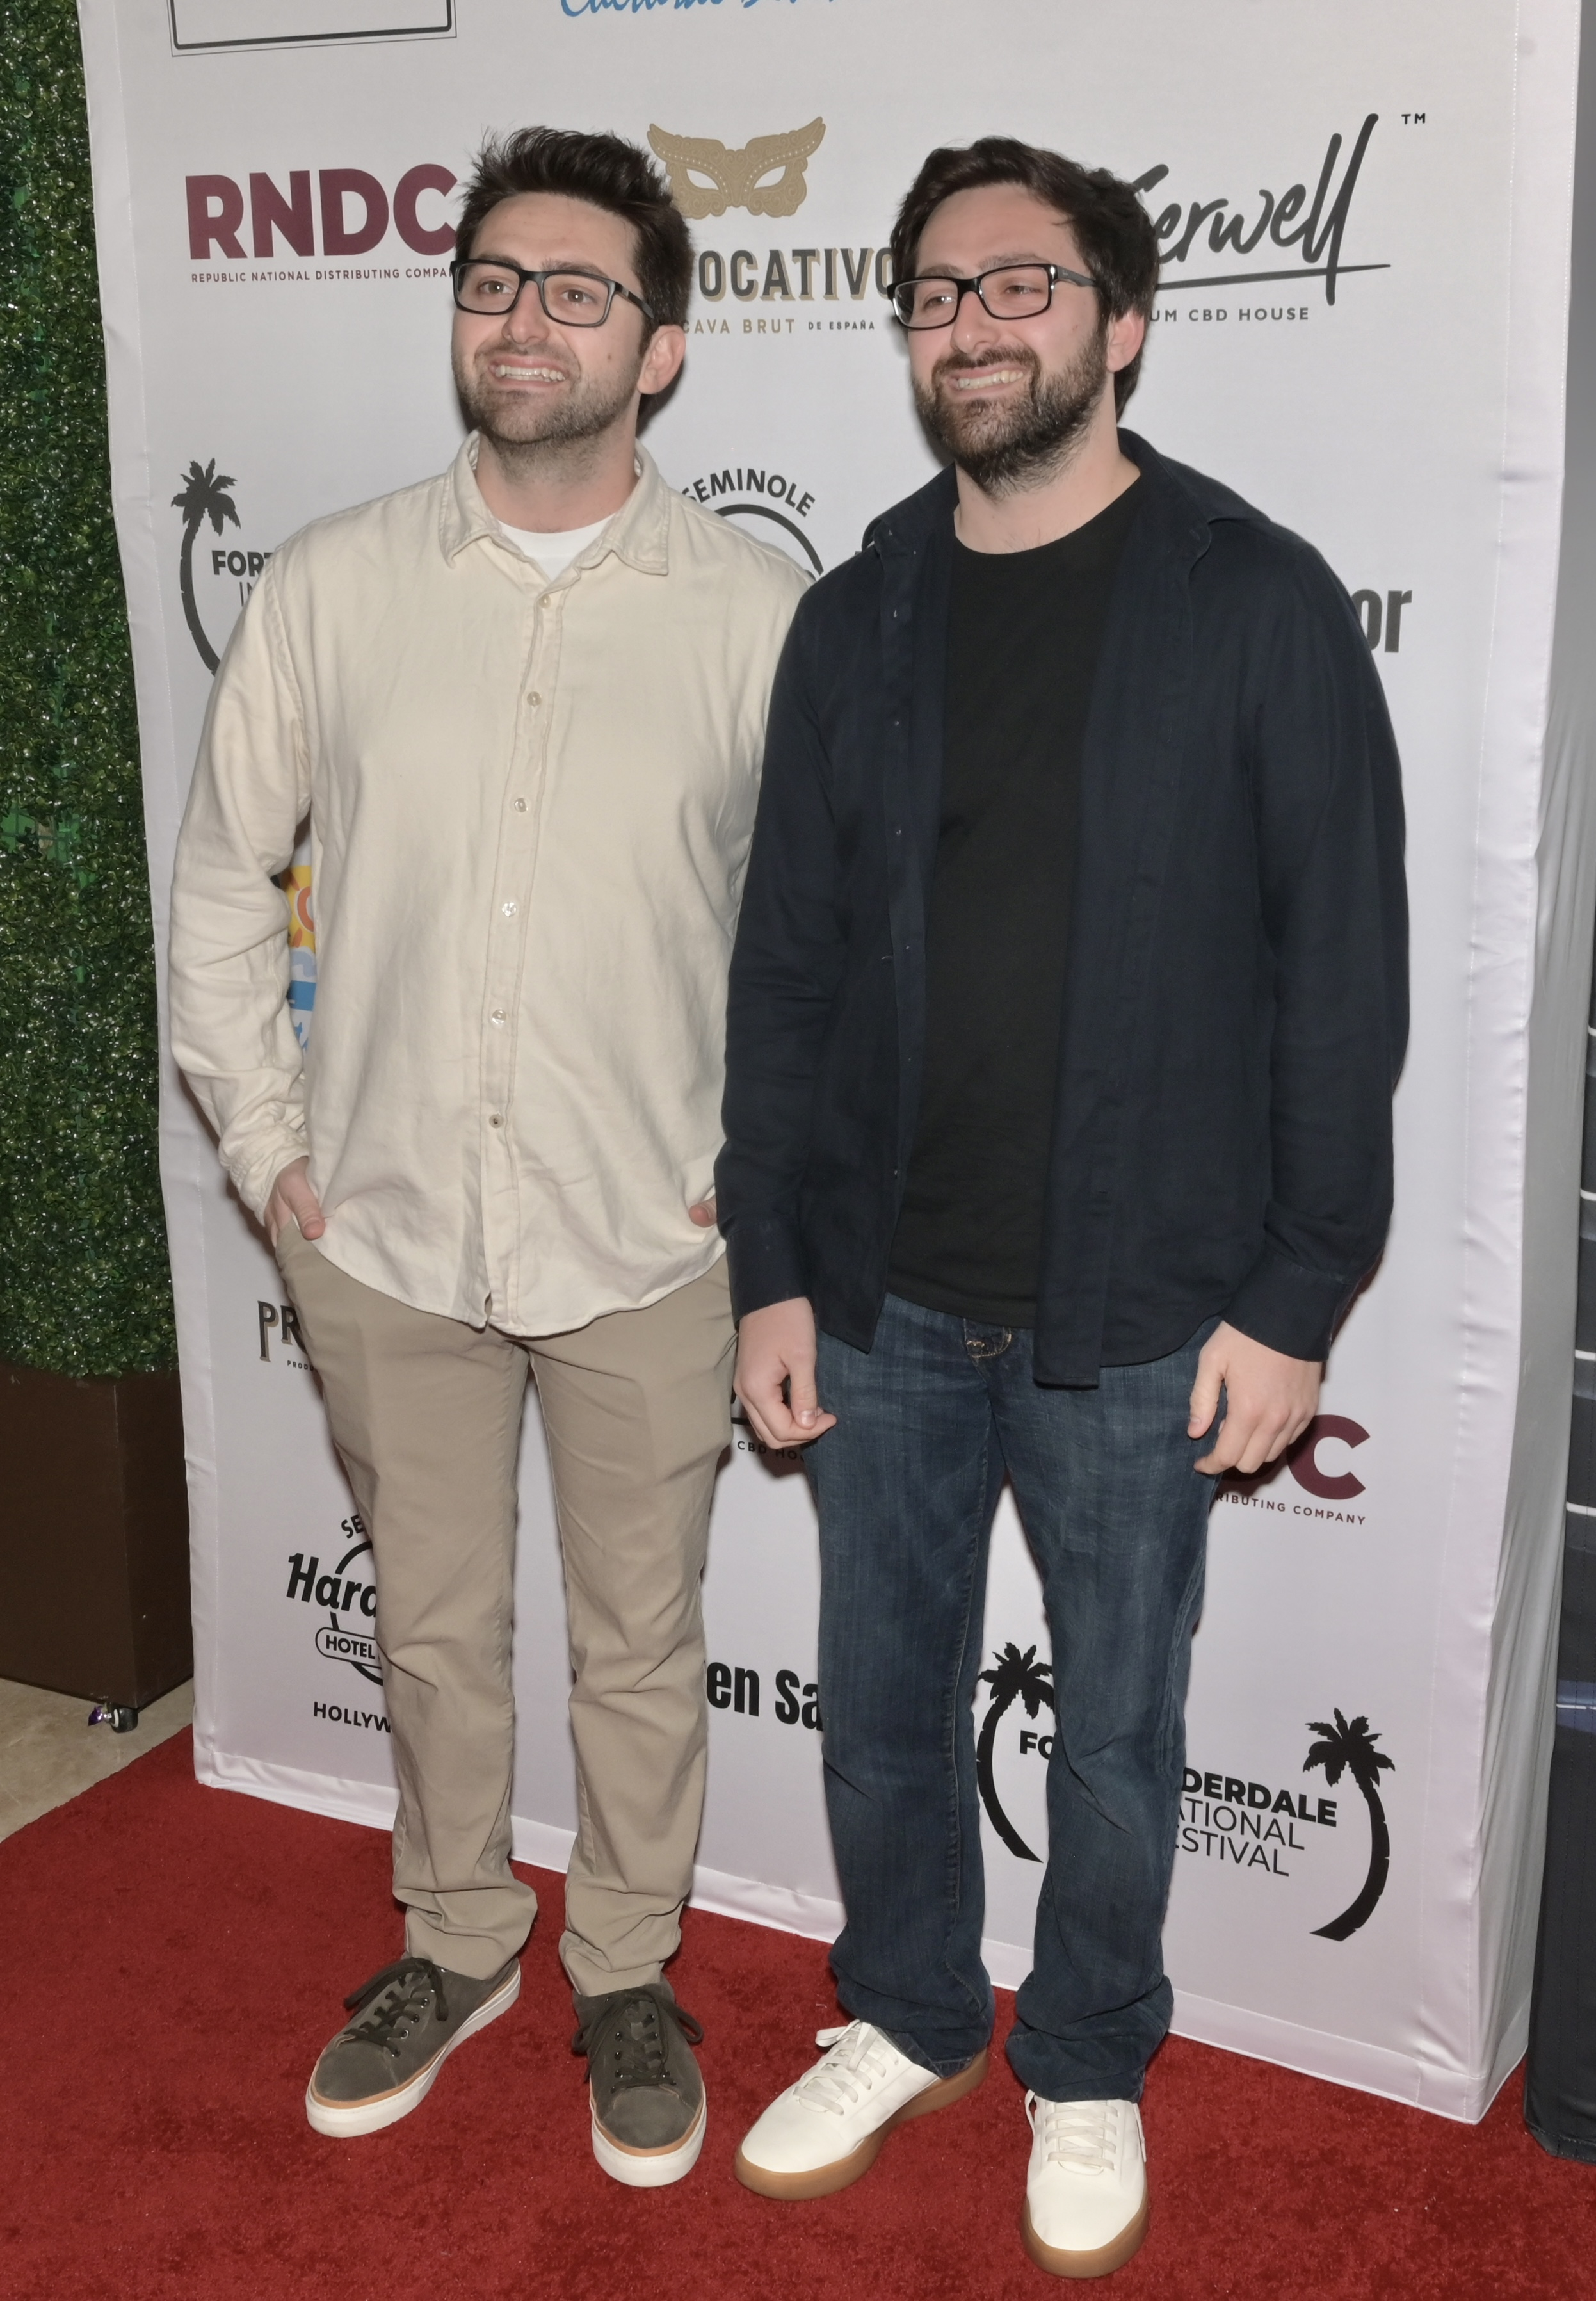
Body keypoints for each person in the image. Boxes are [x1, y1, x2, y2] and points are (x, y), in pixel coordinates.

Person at [716, 136, 1406, 2276]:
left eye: (1019, 284)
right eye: (932, 292)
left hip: (1146, 1305)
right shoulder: (859, 614)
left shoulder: (1254, 593)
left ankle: (1088, 2051)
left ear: (1121, 320)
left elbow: (1343, 973)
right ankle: (910, 2006)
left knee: (1115, 1723)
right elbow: (789, 969)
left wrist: (1300, 1293)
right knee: (886, 1691)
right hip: (884, 1298)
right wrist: (771, 1267)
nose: (970, 323)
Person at [169, 125, 806, 2184]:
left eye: (579, 290)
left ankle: (626, 1965)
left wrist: (764, 1165)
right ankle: (458, 1938)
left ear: (668, 349)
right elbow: (215, 892)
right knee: (433, 1630)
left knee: (639, 1641)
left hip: (650, 1235)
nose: (524, 319)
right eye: (493, 281)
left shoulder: (755, 612)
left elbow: (816, 942)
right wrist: (274, 1158)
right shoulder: (335, 584)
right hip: (385, 1231)